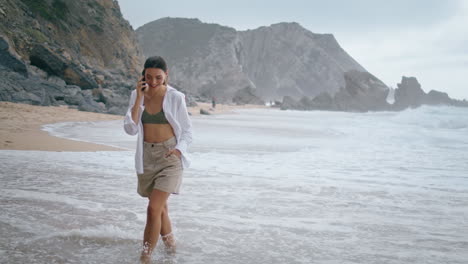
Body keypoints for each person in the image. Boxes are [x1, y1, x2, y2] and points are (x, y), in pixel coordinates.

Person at [123, 56, 193, 262]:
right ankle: (171, 248)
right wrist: (138, 98)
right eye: (149, 77)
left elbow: (188, 132)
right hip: (146, 157)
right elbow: (130, 129)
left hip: (169, 156)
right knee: (160, 209)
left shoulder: (175, 97)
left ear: (166, 75)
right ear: (143, 76)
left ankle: (145, 256)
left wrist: (179, 150)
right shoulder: (136, 95)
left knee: (153, 208)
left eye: (158, 77)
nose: (153, 82)